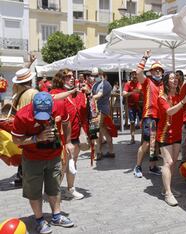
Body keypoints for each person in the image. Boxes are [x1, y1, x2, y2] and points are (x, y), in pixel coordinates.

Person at [11, 92, 75, 234]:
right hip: (32, 158)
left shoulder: (59, 105)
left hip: (54, 155)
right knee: (34, 191)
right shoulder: (22, 115)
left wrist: (69, 142)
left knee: (54, 187)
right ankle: (39, 220)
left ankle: (57, 216)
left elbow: (66, 122)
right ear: (33, 106)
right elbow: (16, 141)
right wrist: (36, 138)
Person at [50, 69, 86, 200]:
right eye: (68, 76)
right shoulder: (56, 93)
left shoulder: (76, 93)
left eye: (72, 76)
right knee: (61, 165)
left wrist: (86, 95)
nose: (72, 78)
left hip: (74, 134)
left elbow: (81, 112)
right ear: (60, 78)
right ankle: (54, 192)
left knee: (72, 162)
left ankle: (70, 188)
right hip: (61, 136)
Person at [156, 72, 186, 206]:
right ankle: (168, 194)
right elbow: (170, 111)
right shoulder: (162, 97)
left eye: (176, 78)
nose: (175, 80)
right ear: (166, 81)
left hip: (177, 132)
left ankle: (166, 188)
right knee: (168, 162)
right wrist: (183, 102)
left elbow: (184, 109)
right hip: (164, 133)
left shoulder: (179, 95)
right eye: (171, 78)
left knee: (174, 161)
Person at [133, 50, 163, 178]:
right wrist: (145, 57)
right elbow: (138, 72)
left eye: (160, 70)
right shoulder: (147, 82)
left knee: (155, 143)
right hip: (149, 116)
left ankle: (152, 166)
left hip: (160, 118)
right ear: (150, 72)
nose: (157, 71)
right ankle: (138, 166)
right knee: (146, 143)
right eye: (155, 69)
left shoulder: (163, 84)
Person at [91, 68, 115, 160]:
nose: (94, 77)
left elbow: (99, 95)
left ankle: (98, 152)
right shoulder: (97, 84)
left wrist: (91, 97)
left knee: (95, 130)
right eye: (93, 75)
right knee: (103, 130)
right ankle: (111, 151)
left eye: (96, 75)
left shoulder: (105, 84)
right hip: (97, 110)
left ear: (101, 74)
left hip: (101, 110)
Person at [122, 70, 142, 144]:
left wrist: (140, 92)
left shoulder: (141, 83)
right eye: (133, 74)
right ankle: (132, 138)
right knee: (132, 122)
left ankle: (143, 139)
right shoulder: (128, 84)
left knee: (142, 122)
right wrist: (132, 92)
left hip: (140, 106)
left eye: (135, 74)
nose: (134, 76)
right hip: (131, 106)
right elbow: (123, 94)